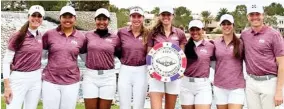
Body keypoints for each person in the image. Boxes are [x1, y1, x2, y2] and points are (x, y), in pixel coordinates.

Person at [41, 6, 86, 109]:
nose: (67, 20)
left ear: (75, 19)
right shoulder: (49, 34)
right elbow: (42, 56)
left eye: (70, 17)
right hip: (50, 81)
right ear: (60, 18)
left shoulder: (81, 37)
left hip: (72, 82)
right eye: (64, 16)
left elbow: (86, 59)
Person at [241, 4, 284, 109]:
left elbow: (282, 63)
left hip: (269, 82)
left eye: (257, 14)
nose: (255, 17)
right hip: (251, 82)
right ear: (248, 17)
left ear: (263, 15)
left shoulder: (274, 34)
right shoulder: (244, 34)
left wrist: (279, 91)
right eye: (252, 14)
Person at [3, 5, 45, 109]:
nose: (36, 18)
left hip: (36, 78)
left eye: (39, 16)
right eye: (34, 15)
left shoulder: (40, 35)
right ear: (28, 17)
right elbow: (6, 62)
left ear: (42, 18)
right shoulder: (18, 36)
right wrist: (7, 86)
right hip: (19, 78)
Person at [147, 7, 187, 109]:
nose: (166, 17)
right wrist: (151, 70)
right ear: (160, 16)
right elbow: (149, 54)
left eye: (168, 15)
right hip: (156, 75)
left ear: (173, 16)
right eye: (163, 15)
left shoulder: (180, 33)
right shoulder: (152, 33)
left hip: (173, 75)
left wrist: (181, 71)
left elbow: (182, 55)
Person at [82, 8, 120, 109]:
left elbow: (120, 54)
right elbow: (82, 52)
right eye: (99, 19)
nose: (102, 22)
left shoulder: (115, 37)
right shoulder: (88, 35)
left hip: (108, 77)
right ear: (95, 20)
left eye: (105, 19)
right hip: (90, 76)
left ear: (108, 21)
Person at [117, 6, 149, 109]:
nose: (136, 19)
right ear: (130, 18)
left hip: (142, 70)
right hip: (125, 70)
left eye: (139, 16)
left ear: (143, 18)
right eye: (133, 16)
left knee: (139, 105)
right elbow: (116, 49)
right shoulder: (121, 32)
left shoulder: (148, 33)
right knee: (124, 104)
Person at [213, 14, 245, 109]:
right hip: (219, 86)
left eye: (229, 23)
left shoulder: (240, 43)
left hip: (237, 87)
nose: (226, 26)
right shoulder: (215, 42)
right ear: (221, 26)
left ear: (233, 25)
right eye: (224, 24)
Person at [181, 19, 214, 109]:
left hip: (203, 85)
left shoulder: (210, 46)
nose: (195, 32)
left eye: (197, 29)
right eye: (192, 30)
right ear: (189, 31)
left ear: (202, 30)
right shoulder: (184, 46)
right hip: (186, 84)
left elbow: (216, 64)